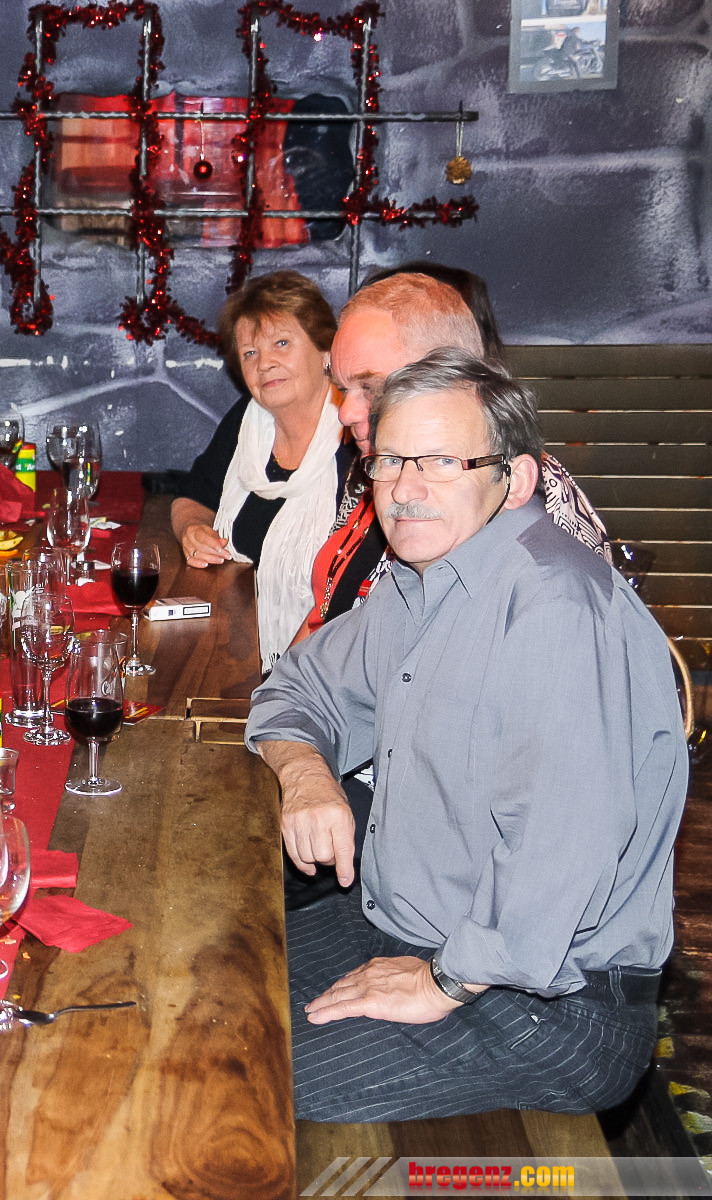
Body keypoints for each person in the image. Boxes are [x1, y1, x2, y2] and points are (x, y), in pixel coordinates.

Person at [248, 352, 686, 1122]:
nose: (405, 489)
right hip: (401, 924)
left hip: (546, 1001)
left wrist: (443, 980)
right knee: (202, 990)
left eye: (443, 462)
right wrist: (307, 775)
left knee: (235, 1081)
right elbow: (295, 688)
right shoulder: (419, 580)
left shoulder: (552, 604)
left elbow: (564, 845)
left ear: (514, 481)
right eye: (389, 461)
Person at [303, 271, 609, 641]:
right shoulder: (372, 466)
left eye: (370, 387)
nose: (346, 413)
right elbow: (327, 613)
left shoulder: (514, 491)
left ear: (451, 373)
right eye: (343, 389)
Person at [168, 271, 350, 669]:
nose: (265, 363)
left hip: (327, 665)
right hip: (236, 649)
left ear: (325, 350)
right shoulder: (248, 421)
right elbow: (192, 496)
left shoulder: (357, 436)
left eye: (281, 343)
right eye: (250, 353)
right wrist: (192, 529)